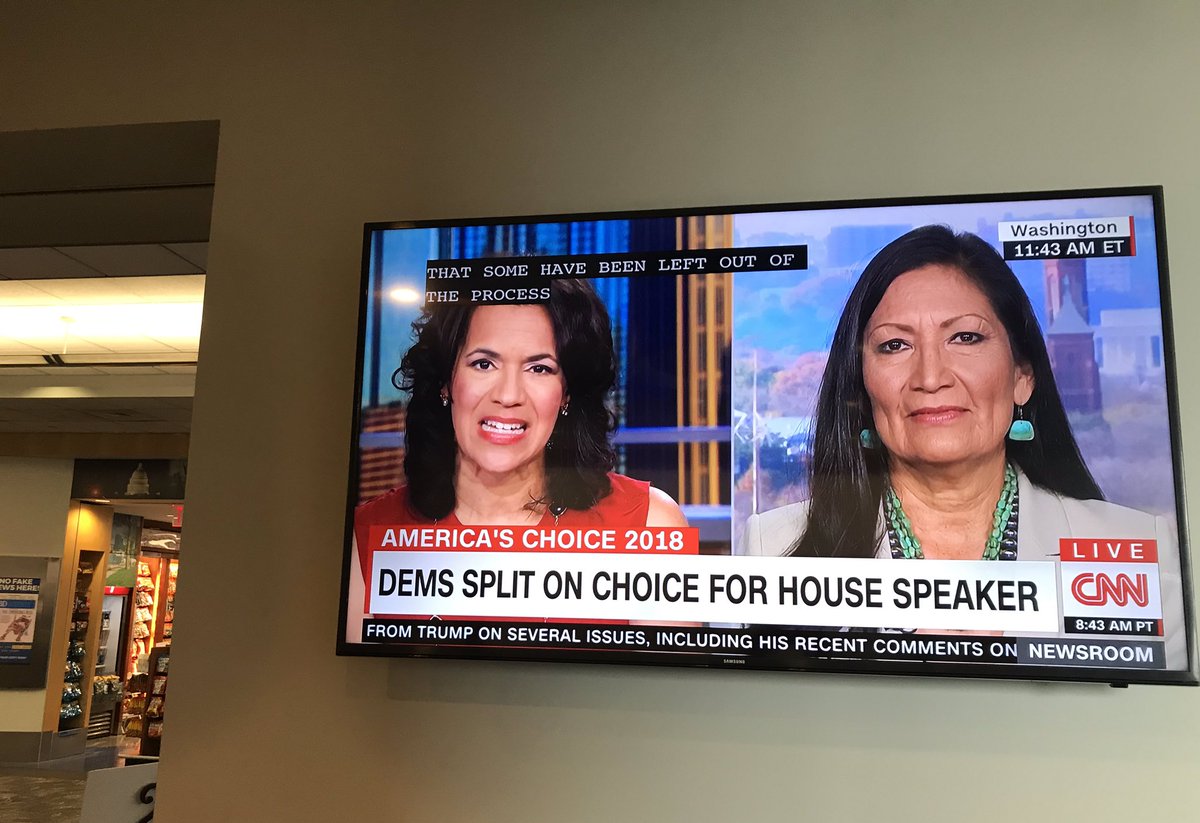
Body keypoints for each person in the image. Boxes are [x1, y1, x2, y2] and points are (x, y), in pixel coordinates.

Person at [741, 226, 1183, 661]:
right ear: (860, 389)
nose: (931, 378)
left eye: (966, 337)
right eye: (895, 345)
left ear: (1022, 376)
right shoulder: (774, 547)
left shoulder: (1136, 546)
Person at [347, 278, 688, 627]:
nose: (508, 395)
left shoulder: (648, 525)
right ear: (446, 382)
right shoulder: (367, 534)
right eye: (483, 364)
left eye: (539, 368)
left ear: (567, 393)